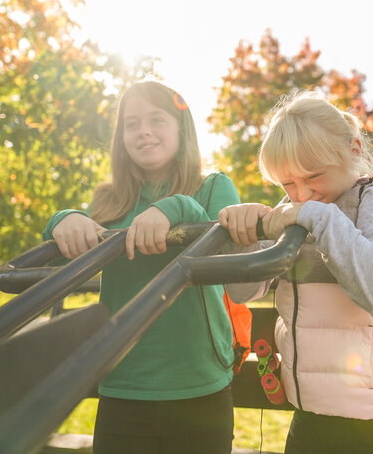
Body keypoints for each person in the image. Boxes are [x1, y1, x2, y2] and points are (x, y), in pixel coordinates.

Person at [219, 91, 373, 454]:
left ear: (355, 150)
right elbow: (243, 289)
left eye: (313, 176)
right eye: (287, 184)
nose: (302, 194)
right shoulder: (293, 210)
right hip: (311, 408)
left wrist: (321, 220)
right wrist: (242, 239)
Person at [43, 81, 240, 454]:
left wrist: (177, 207)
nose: (143, 130)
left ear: (183, 129)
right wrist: (62, 219)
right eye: (131, 124)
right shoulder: (110, 200)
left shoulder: (212, 187)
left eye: (156, 119)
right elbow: (69, 247)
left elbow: (225, 257)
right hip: (123, 382)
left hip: (198, 384)